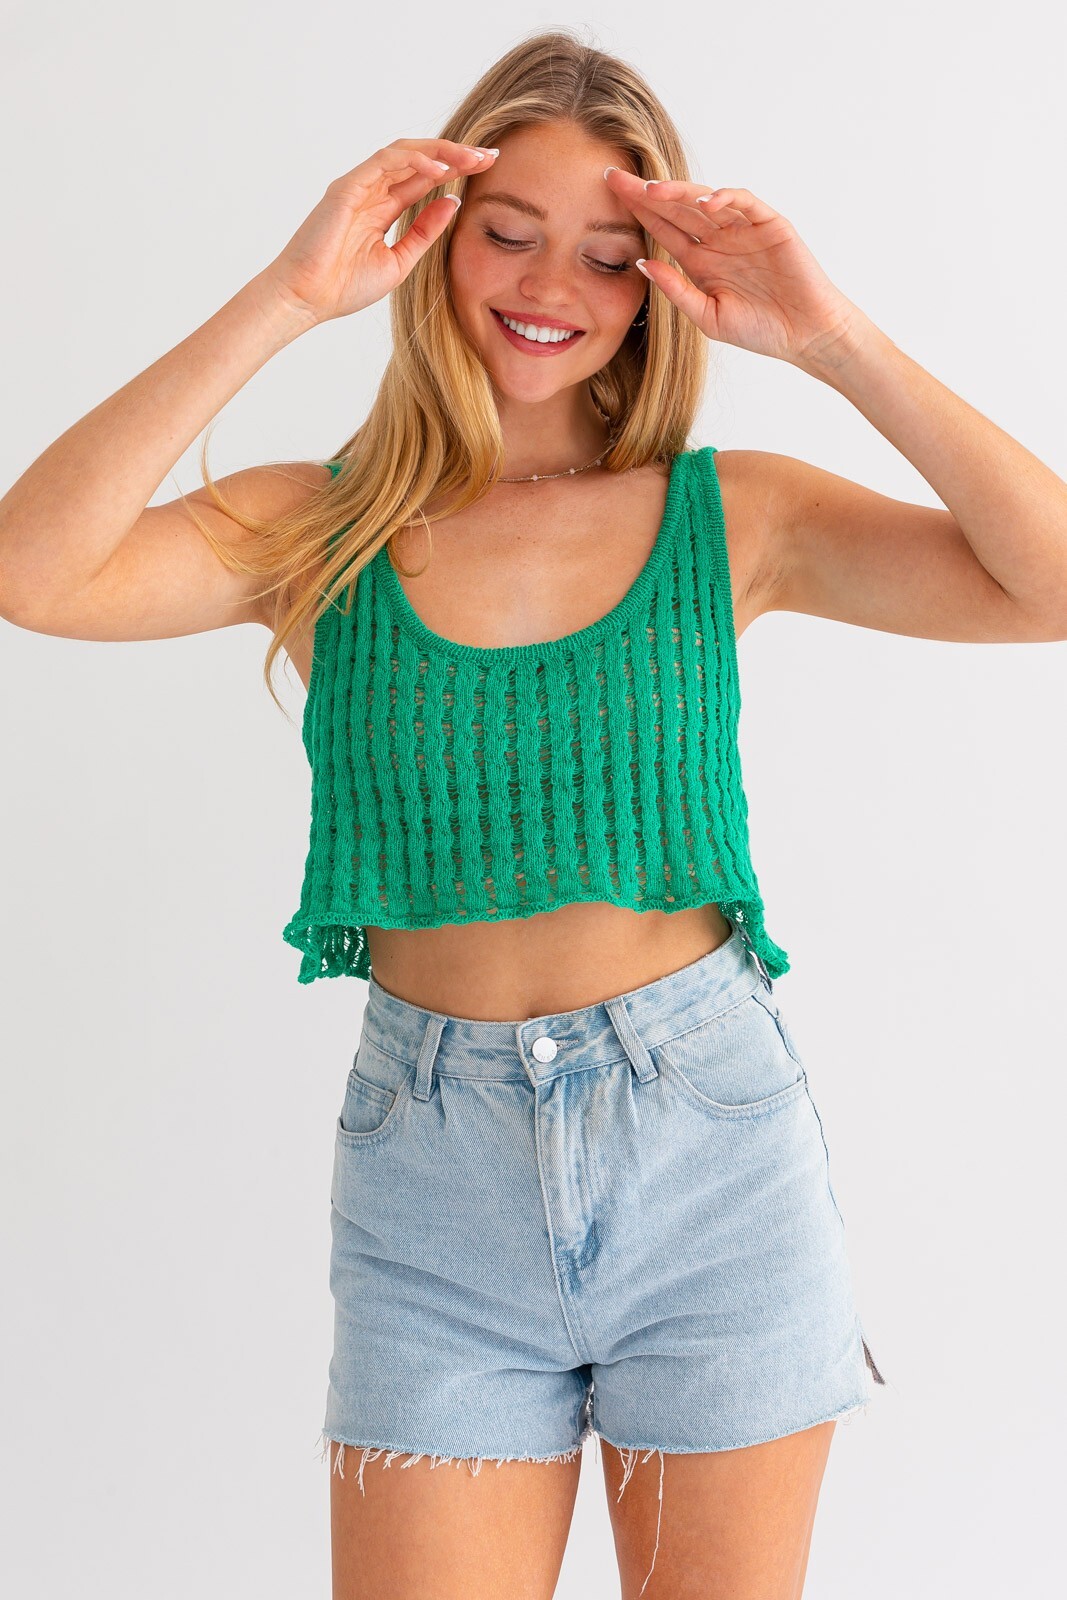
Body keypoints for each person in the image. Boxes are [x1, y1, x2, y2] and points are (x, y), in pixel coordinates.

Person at [5, 26, 1066, 1600]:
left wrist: (831, 336)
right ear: (436, 234)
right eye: (509, 231)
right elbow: (33, 569)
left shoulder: (732, 516)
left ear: (655, 284)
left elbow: (1051, 583)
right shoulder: (321, 527)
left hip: (708, 1155)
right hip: (432, 1188)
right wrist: (290, 294)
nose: (550, 283)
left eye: (609, 255)